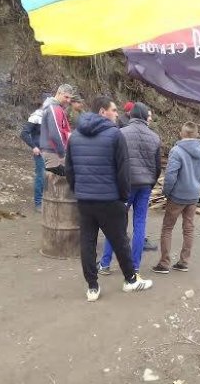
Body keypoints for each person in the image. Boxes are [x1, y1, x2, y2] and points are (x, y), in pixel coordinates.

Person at [65, 95, 152, 302]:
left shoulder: (75, 135)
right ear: (102, 112)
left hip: (85, 200)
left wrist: (79, 190)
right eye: (113, 110)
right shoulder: (114, 135)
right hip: (109, 198)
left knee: (87, 242)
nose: (117, 114)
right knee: (120, 240)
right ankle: (131, 280)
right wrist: (123, 197)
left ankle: (92, 287)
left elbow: (70, 170)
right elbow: (123, 172)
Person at [98, 102, 161, 274]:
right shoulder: (155, 138)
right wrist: (150, 182)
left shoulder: (120, 133)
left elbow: (112, 161)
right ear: (144, 117)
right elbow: (157, 167)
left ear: (131, 116)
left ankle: (105, 264)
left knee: (116, 224)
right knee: (140, 224)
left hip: (124, 186)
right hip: (145, 186)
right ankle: (134, 267)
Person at [152, 121, 200, 274]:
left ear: (182, 133)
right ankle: (184, 262)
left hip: (177, 196)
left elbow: (171, 175)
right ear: (196, 134)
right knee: (189, 229)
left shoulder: (177, 151)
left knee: (167, 228)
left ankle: (164, 263)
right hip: (193, 196)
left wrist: (167, 192)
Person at [20, 94, 49, 212]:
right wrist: (34, 147)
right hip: (40, 151)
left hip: (51, 151)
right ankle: (38, 202)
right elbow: (24, 133)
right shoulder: (36, 116)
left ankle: (48, 200)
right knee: (41, 176)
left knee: (51, 176)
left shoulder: (51, 116)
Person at [40, 84, 73, 176]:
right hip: (53, 153)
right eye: (66, 97)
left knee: (52, 183)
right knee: (62, 181)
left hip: (51, 151)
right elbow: (55, 133)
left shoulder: (54, 107)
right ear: (58, 93)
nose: (68, 100)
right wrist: (62, 153)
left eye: (70, 98)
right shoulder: (54, 108)